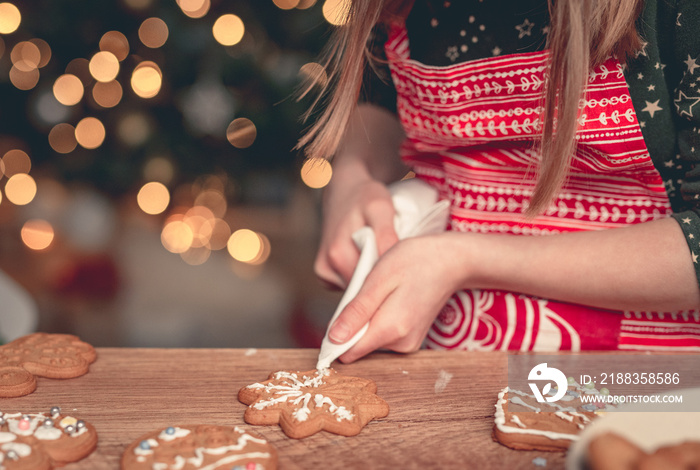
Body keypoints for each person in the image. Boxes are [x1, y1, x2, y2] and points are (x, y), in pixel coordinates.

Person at [298, 0, 700, 362]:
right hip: (448, 363)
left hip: (649, 382)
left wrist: (464, 259)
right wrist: (352, 173)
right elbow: (380, 100)